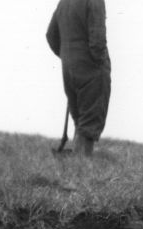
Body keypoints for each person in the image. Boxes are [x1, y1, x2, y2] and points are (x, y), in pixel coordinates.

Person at [46, 0, 112, 157]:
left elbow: (51, 35)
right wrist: (98, 61)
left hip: (69, 66)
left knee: (81, 118)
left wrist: (68, 56)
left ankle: (76, 166)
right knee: (90, 118)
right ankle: (81, 168)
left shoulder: (63, 2)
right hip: (90, 66)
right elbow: (98, 36)